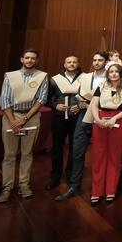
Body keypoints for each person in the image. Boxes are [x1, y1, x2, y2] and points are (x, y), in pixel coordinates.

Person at [0, 49, 49, 204]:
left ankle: (23, 185)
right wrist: (13, 120)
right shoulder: (10, 76)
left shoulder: (42, 76)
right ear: (22, 59)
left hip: (31, 117)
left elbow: (42, 99)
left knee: (27, 154)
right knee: (9, 155)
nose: (29, 60)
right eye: (26, 57)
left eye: (33, 58)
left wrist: (25, 118)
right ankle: (6, 187)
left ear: (37, 60)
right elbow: (4, 99)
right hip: (10, 116)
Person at [56, 51, 108, 201]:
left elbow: (114, 100)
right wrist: (80, 104)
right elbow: (79, 96)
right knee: (77, 152)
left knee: (101, 155)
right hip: (84, 117)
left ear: (105, 62)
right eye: (94, 60)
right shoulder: (85, 77)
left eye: (100, 60)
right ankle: (74, 186)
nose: (97, 62)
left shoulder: (111, 77)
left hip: (102, 116)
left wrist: (92, 103)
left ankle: (100, 187)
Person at [89, 62, 122, 205]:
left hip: (118, 121)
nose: (113, 74)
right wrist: (97, 119)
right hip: (100, 121)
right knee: (99, 156)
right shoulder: (101, 87)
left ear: (121, 74)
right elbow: (94, 105)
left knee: (114, 157)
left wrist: (115, 117)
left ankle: (110, 190)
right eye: (111, 72)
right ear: (108, 74)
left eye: (116, 71)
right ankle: (96, 192)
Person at [47, 55, 82, 191]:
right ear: (64, 64)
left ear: (78, 63)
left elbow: (88, 96)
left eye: (74, 62)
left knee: (75, 147)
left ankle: (71, 176)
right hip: (59, 117)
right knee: (57, 147)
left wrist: (80, 106)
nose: (72, 64)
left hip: (77, 117)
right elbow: (47, 99)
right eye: (69, 62)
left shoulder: (84, 78)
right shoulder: (54, 79)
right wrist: (56, 105)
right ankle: (55, 176)